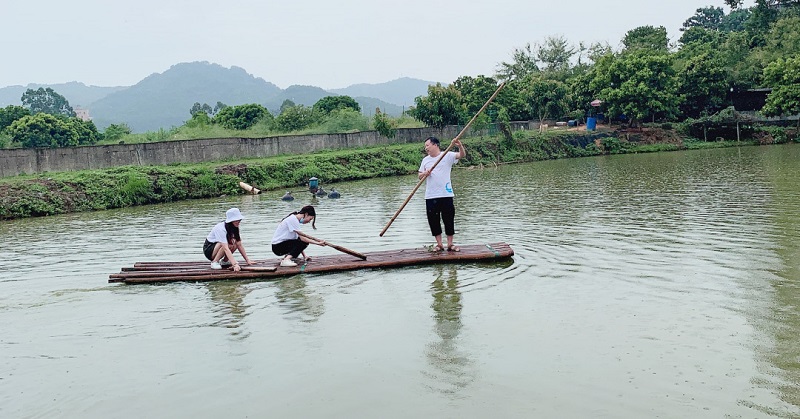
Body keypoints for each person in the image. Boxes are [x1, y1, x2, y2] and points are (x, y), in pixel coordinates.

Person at [418, 136, 466, 252]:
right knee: (433, 221)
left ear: (435, 145)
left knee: (448, 219)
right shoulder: (425, 160)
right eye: (425, 146)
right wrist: (425, 173)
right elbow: (419, 176)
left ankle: (450, 244)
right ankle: (439, 244)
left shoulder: (447, 155)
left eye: (427, 145)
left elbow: (461, 155)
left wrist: (459, 146)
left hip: (446, 194)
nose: (426, 148)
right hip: (431, 196)